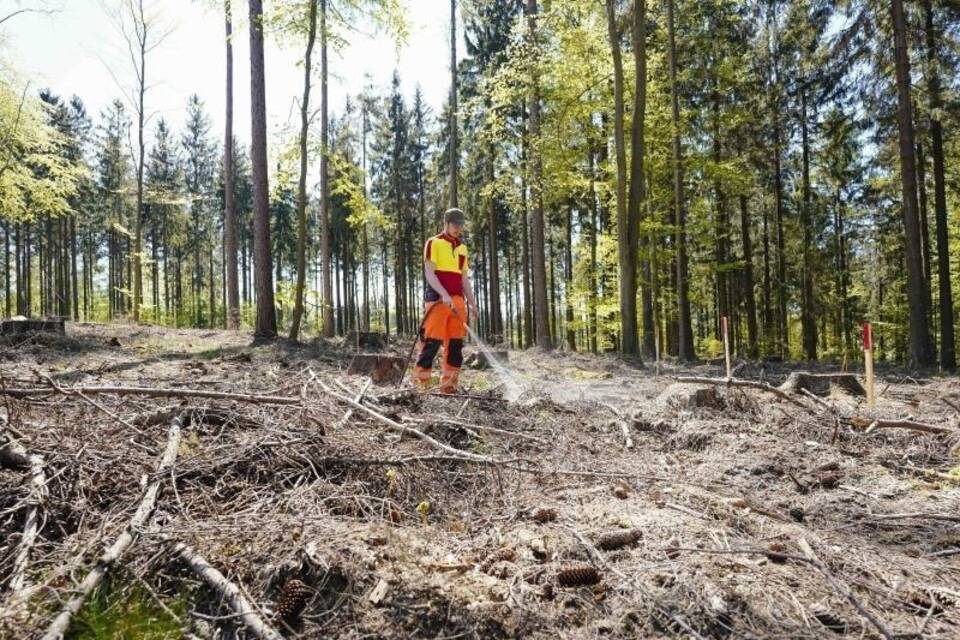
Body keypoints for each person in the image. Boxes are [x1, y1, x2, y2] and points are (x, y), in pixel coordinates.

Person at [413, 208, 479, 394]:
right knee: (431, 344)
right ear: (446, 223)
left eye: (461, 225)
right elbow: (429, 273)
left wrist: (472, 304)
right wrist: (444, 294)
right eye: (455, 224)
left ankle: (448, 387)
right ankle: (420, 387)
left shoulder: (462, 248)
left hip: (458, 302)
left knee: (456, 347)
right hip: (437, 301)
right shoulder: (434, 243)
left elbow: (464, 279)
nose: (458, 228)